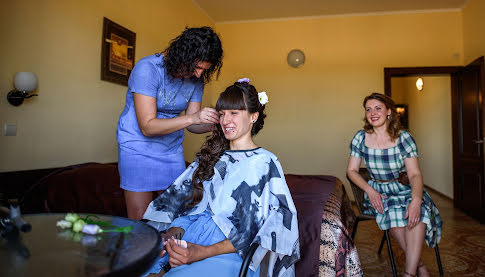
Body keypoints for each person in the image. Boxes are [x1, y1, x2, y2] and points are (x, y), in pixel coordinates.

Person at [142, 79, 300, 277]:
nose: (226, 121)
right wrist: (171, 239)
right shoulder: (213, 158)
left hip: (227, 254)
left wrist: (200, 252)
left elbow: (256, 232)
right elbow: (190, 211)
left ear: (253, 116)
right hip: (190, 240)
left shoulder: (264, 163)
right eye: (222, 114)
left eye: (234, 113)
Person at [116, 27, 223, 220]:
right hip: (137, 149)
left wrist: (216, 123)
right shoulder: (148, 69)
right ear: (184, 54)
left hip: (171, 151)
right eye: (197, 67)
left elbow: (192, 125)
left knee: (173, 216)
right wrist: (193, 118)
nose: (199, 75)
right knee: (140, 219)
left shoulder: (196, 81)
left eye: (204, 70)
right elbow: (147, 126)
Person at [346, 92, 442, 277]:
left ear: (389, 111)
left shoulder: (404, 138)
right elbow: (351, 171)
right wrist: (370, 190)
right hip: (379, 192)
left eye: (378, 108)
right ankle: (420, 267)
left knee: (418, 210)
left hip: (403, 189)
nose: (373, 113)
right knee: (392, 211)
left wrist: (415, 199)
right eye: (368, 109)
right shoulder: (361, 137)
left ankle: (409, 273)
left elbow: (414, 174)